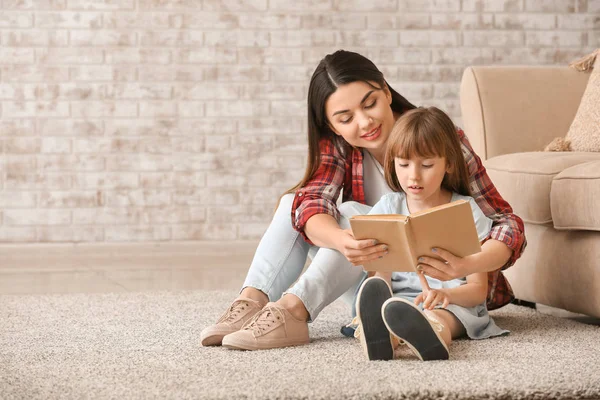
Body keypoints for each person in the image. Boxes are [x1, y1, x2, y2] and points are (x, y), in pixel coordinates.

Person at [200, 49, 525, 351]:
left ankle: (295, 309)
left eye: (369, 103)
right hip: (376, 279)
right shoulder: (339, 146)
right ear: (331, 125)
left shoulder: (437, 139)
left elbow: (507, 224)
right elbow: (311, 202)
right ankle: (253, 301)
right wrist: (343, 240)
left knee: (350, 212)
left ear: (385, 91)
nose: (364, 122)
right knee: (295, 203)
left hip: (447, 285)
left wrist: (469, 263)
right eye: (345, 118)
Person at [352, 106, 509, 363]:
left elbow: (477, 290)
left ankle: (431, 336)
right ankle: (382, 338)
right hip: (400, 302)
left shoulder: (466, 211)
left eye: (426, 165)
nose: (413, 175)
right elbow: (381, 278)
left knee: (441, 316)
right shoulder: (388, 208)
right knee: (386, 309)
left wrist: (446, 295)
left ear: (448, 163)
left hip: (456, 302)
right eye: (403, 164)